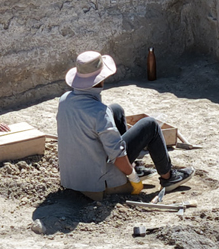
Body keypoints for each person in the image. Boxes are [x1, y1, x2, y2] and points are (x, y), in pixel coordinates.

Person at [55, 51, 194, 200]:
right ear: (100, 78)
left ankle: (132, 165)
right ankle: (168, 177)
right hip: (98, 183)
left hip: (72, 178)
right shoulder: (99, 113)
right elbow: (117, 154)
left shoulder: (64, 100)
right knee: (150, 125)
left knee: (116, 109)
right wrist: (132, 177)